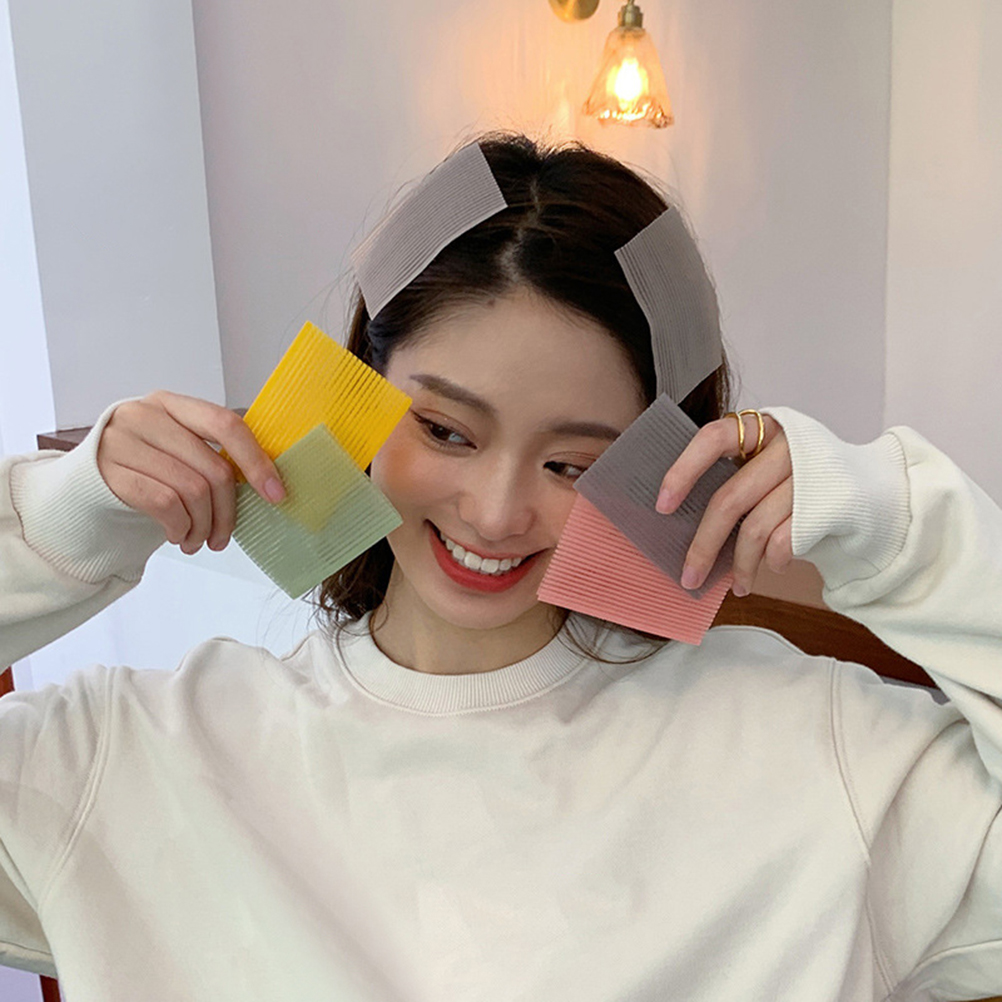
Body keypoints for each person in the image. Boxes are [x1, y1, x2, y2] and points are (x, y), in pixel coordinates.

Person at [0, 131, 999, 1002]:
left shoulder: (813, 754)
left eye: (575, 463)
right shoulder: (130, 761)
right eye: (445, 429)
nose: (496, 511)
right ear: (354, 400)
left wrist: (898, 526)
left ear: (666, 464)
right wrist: (59, 526)